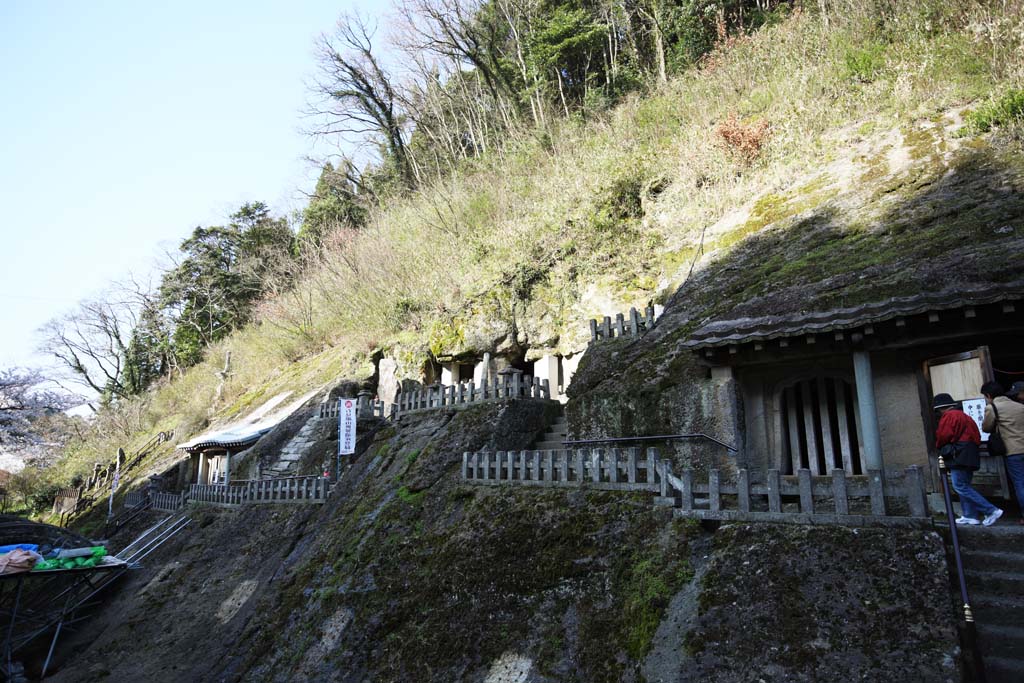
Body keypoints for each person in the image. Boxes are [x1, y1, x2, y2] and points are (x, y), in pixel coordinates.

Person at [934, 393, 1003, 526]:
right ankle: (970, 515)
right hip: (970, 453)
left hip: (959, 454)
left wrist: (939, 445)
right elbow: (976, 436)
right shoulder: (964, 415)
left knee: (959, 486)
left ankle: (991, 510)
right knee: (964, 485)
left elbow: (944, 436)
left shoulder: (949, 416)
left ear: (941, 408)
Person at [982, 381, 1024, 525]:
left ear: (988, 395)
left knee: (1020, 483)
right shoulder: (1020, 406)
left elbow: (986, 428)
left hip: (1012, 451)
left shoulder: (992, 407)